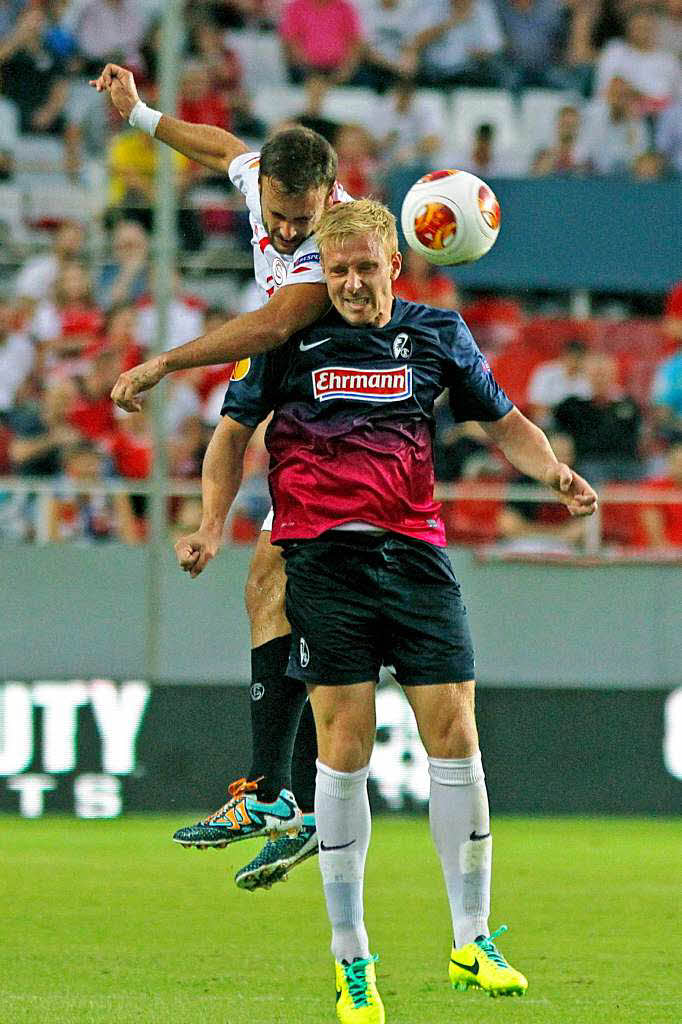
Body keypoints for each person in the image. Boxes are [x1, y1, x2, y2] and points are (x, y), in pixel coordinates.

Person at [176, 198, 596, 1019]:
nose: (354, 284)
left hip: (416, 559)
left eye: (367, 268)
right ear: (321, 274)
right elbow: (231, 435)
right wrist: (207, 523)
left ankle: (471, 941)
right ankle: (351, 960)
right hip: (323, 561)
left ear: (393, 264)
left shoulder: (437, 336)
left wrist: (550, 472)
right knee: (344, 746)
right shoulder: (284, 337)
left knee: (459, 737)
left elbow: (505, 422)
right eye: (338, 272)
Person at [91, 62, 350, 886]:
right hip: (302, 411)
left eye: (297, 220)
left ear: (327, 197)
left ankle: (298, 799)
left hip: (353, 431)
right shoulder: (260, 181)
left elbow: (273, 324)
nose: (282, 231)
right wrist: (142, 116)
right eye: (275, 214)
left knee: (305, 602)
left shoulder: (337, 250)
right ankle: (286, 798)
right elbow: (225, 149)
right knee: (267, 588)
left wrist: (166, 360)